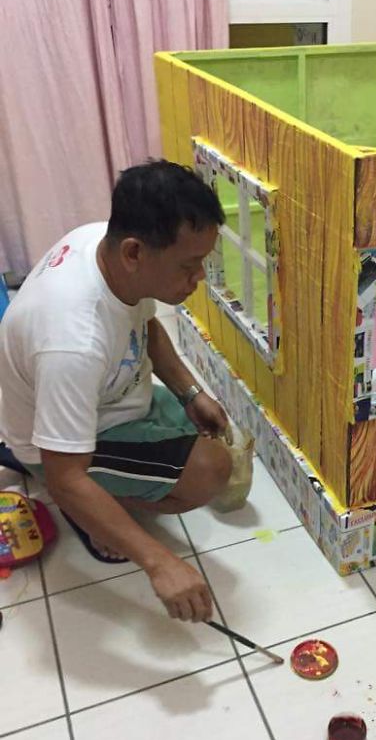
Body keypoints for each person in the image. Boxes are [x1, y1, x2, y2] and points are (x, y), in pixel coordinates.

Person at [0, 160, 233, 623]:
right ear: (134, 252)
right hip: (57, 446)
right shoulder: (72, 341)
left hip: (107, 400)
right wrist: (159, 562)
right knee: (211, 470)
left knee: (203, 437)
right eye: (188, 265)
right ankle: (89, 517)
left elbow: (145, 326)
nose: (200, 277)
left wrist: (190, 393)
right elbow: (66, 475)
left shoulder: (101, 244)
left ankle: (93, 495)